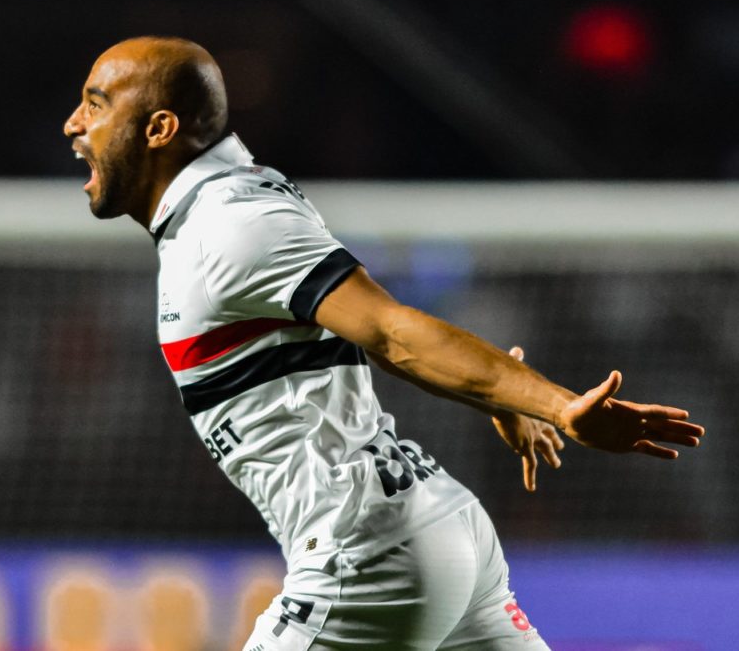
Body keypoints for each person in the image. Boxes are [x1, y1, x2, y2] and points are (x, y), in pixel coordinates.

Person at [63, 36, 704, 650]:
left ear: (159, 129)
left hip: (363, 557)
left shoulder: (227, 225)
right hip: (432, 525)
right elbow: (366, 334)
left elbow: (392, 331)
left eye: (96, 103)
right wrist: (499, 397)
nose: (73, 124)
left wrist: (556, 406)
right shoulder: (228, 206)